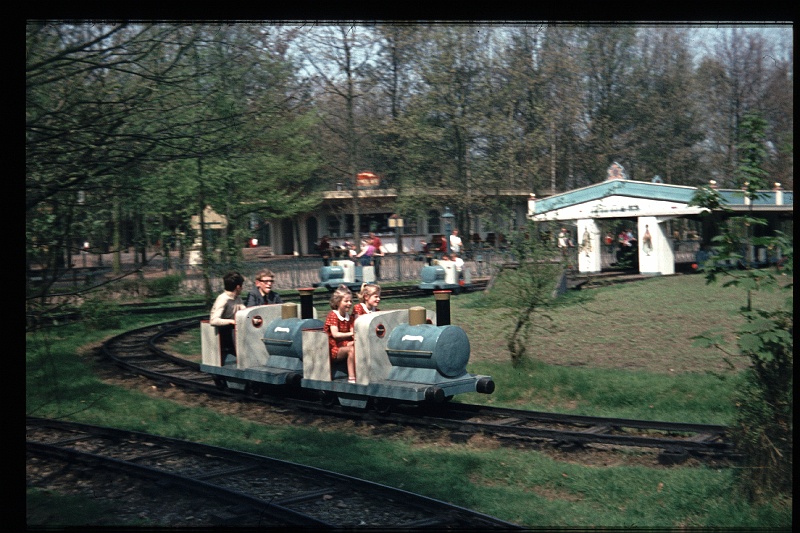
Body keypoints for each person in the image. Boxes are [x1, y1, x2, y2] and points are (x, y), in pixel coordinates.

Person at [323, 285, 357, 383]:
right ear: (338, 302)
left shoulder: (349, 317)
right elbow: (335, 334)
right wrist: (351, 333)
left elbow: (352, 334)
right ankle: (351, 377)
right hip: (333, 348)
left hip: (343, 344)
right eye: (346, 301)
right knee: (352, 349)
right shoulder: (333, 315)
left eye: (350, 301)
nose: (349, 303)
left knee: (357, 345)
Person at [209, 271, 246, 360]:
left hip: (234, 330)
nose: (242, 288)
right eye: (241, 286)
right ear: (238, 287)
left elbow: (245, 311)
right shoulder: (223, 299)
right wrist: (231, 321)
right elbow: (213, 320)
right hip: (224, 332)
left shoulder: (237, 298)